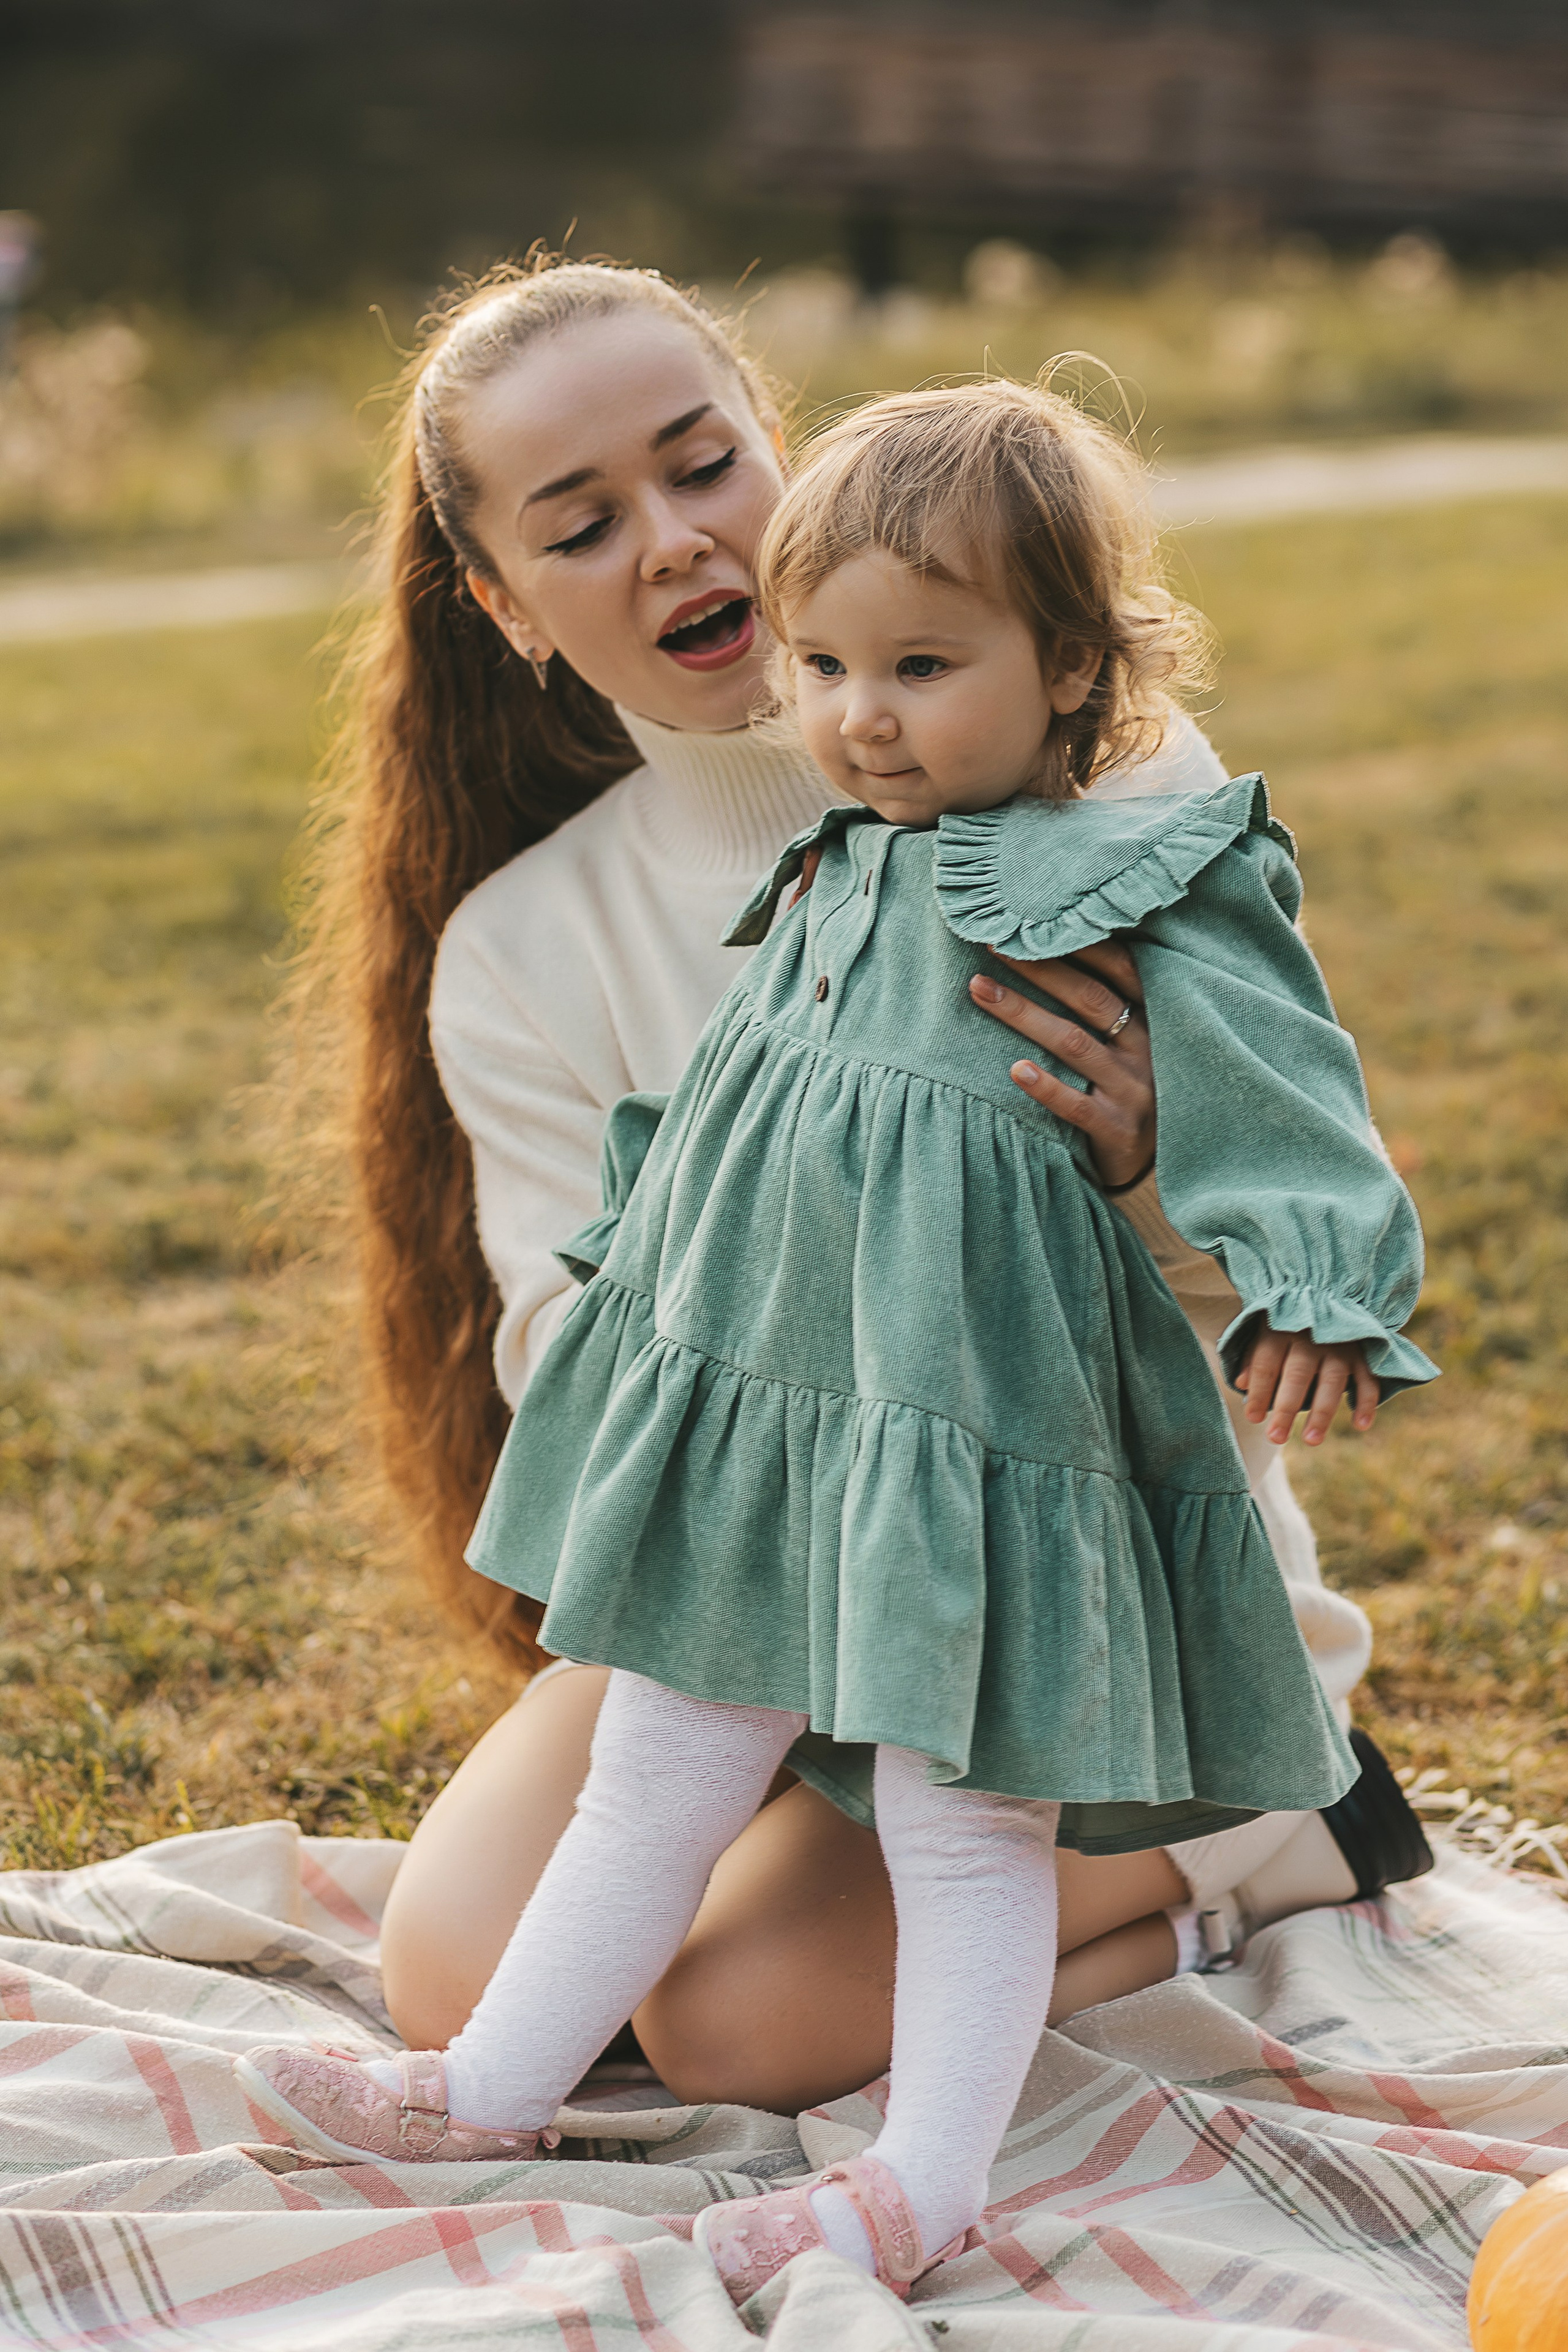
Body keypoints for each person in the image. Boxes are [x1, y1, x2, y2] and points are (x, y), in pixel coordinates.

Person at [243, 377, 1439, 2302]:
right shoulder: (781, 883)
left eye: (701, 460)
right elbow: (664, 1205)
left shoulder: (1116, 840)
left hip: (1014, 1490)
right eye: (580, 517)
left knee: (886, 1886)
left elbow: (1290, 1103)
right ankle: (477, 2086)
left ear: (1065, 669)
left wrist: (1243, 1233)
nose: (860, 712)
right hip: (777, 1474)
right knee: (573, 1849)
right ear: (506, 597)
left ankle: (941, 2161)